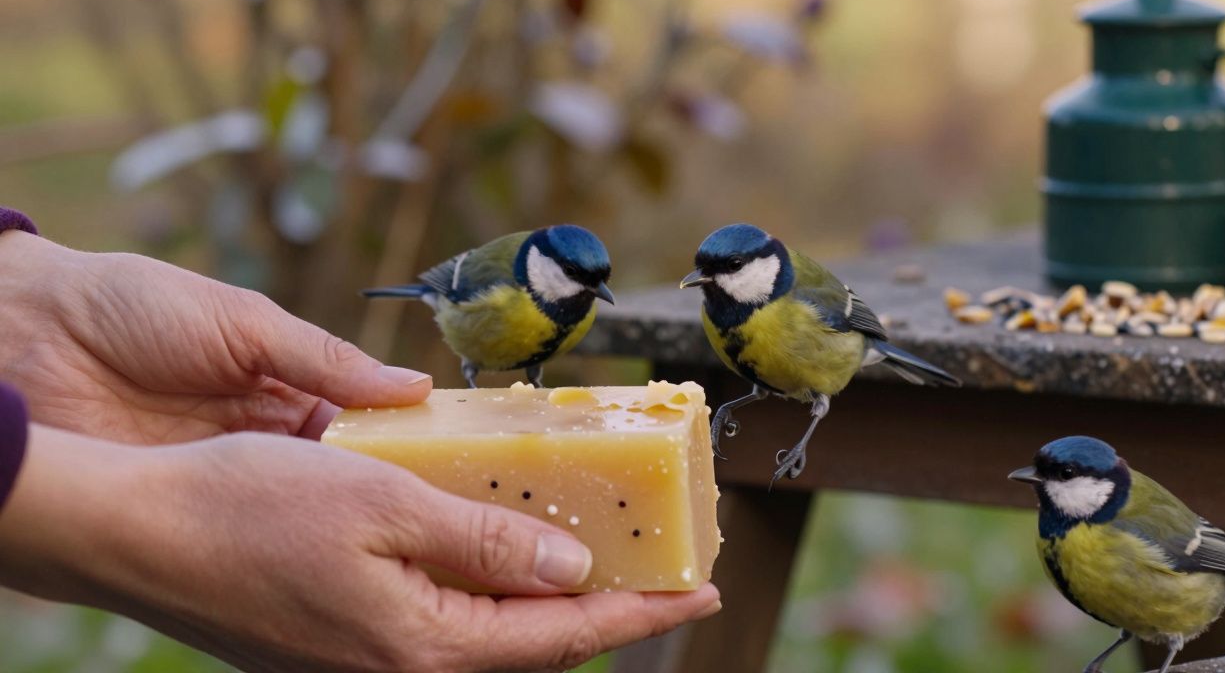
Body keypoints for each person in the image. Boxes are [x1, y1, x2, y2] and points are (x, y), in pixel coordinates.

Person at [0, 208, 720, 672]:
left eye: (600, 283)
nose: (592, 291)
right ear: (540, 267)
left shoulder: (578, 308)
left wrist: (27, 297)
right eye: (578, 280)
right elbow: (448, 288)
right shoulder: (498, 285)